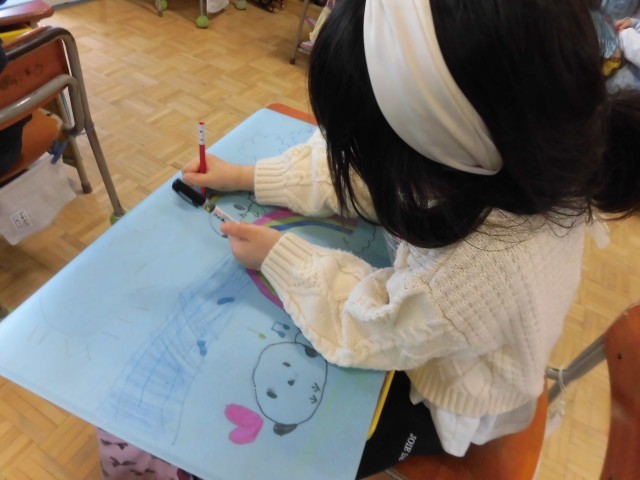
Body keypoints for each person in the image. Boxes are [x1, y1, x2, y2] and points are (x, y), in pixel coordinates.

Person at [181, 0, 640, 478]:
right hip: (435, 329)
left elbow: (372, 326)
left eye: (370, 147)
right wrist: (248, 176)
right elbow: (367, 175)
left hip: (451, 395)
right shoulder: (498, 160)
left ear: (428, 153)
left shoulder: (487, 265)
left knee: (287, 444)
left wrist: (281, 257)